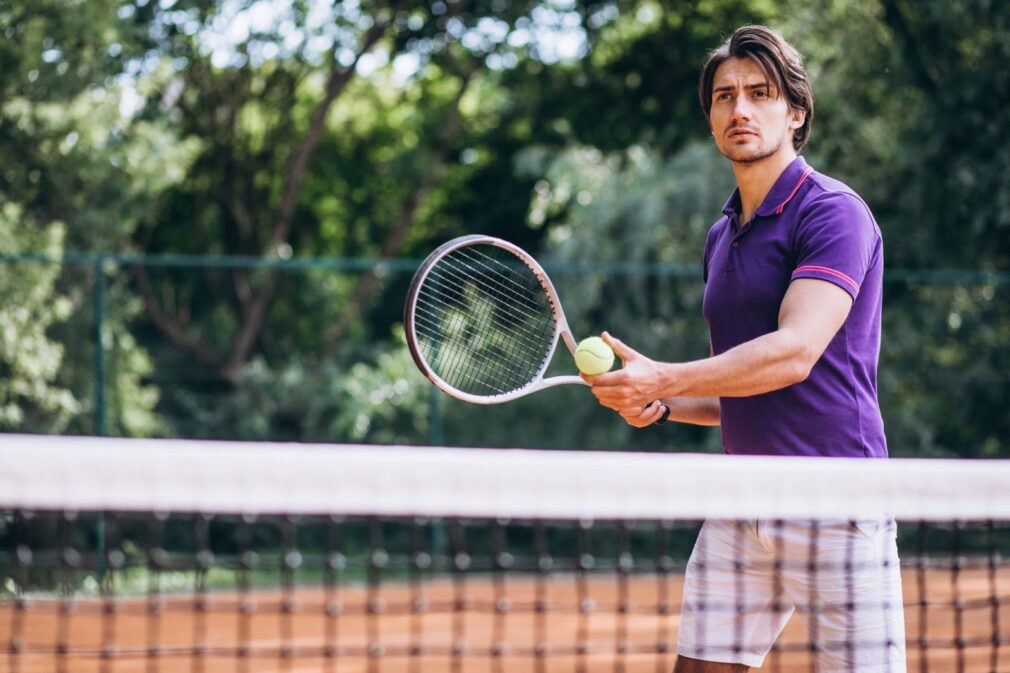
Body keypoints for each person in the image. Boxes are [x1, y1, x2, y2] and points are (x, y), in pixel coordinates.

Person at [583, 25, 906, 672]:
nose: (741, 109)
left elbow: (793, 353)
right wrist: (662, 400)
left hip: (833, 506)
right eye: (725, 96)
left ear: (795, 112)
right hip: (743, 505)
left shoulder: (833, 214)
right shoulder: (722, 234)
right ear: (710, 117)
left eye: (760, 93)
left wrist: (665, 378)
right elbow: (740, 385)